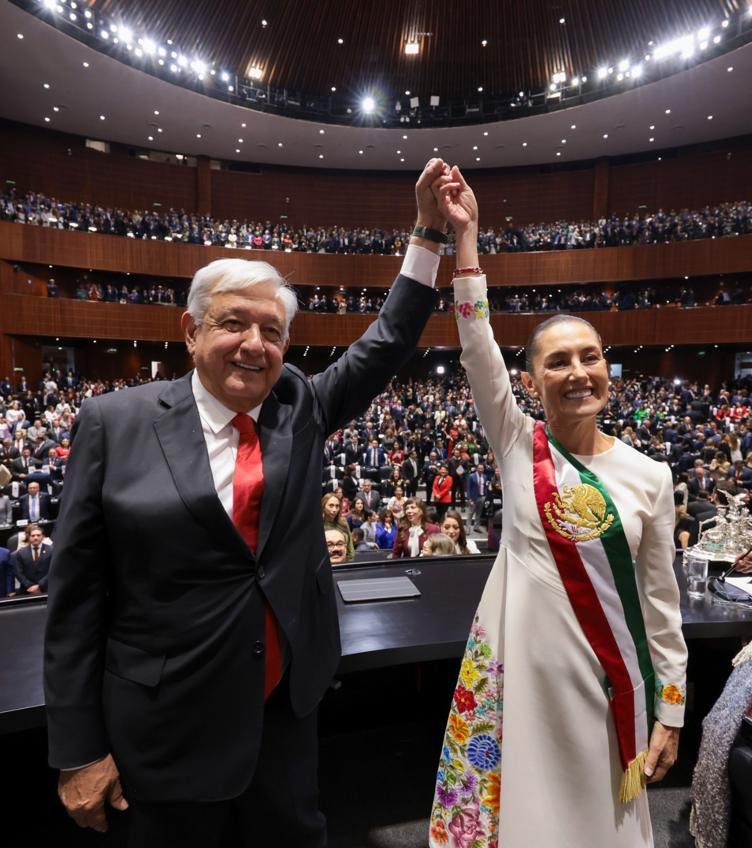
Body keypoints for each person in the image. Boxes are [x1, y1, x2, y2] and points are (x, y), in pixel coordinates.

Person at [44, 158, 449, 845]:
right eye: (234, 323)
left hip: (282, 712)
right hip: (163, 725)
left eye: (272, 331)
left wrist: (428, 234)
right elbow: (76, 597)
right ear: (191, 331)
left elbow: (386, 343)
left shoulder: (299, 406)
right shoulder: (115, 422)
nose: (254, 346)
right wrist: (78, 750)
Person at [428, 166, 687, 848]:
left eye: (590, 357)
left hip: (608, 695)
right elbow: (477, 347)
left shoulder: (649, 476)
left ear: (608, 368)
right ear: (532, 380)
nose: (578, 372)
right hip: (523, 689)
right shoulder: (516, 443)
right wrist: (467, 241)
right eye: (558, 362)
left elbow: (661, 606)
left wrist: (672, 710)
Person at [12, 524, 52, 594]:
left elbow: (52, 570)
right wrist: (30, 586)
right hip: (27, 590)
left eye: (38, 535)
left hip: (47, 588)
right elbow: (18, 573)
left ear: (42, 536)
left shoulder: (51, 550)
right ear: (29, 537)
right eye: (33, 536)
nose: (35, 538)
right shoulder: (20, 553)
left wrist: (39, 585)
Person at [322, 493, 354, 563]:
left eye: (337, 506)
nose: (334, 509)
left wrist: (351, 562)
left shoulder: (343, 521)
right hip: (326, 564)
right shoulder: (318, 525)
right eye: (331, 506)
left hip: (344, 563)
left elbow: (350, 546)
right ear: (323, 506)